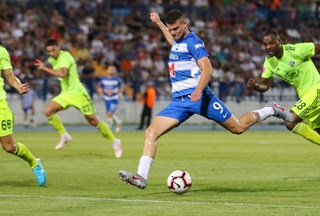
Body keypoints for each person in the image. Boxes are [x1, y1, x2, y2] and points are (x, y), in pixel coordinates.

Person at [118, 10, 292, 189]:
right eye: (170, 29)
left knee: (238, 127)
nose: (173, 33)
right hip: (179, 102)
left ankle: (271, 110)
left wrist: (199, 91)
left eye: (176, 28)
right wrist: (159, 24)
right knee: (150, 133)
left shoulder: (193, 42)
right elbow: (172, 41)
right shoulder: (177, 41)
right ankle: (141, 177)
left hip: (200, 98)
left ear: (185, 23)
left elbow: (207, 68)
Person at [34, 38, 122, 158]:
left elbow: (62, 74)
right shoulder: (51, 59)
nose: (51, 54)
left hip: (78, 93)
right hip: (66, 93)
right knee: (48, 111)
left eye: (53, 50)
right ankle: (64, 135)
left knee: (93, 121)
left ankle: (115, 142)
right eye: (48, 52)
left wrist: (44, 68)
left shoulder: (65, 56)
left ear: (58, 47)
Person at [247, 29, 320, 146]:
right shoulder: (269, 63)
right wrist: (256, 86)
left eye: (271, 43)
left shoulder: (296, 50)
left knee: (290, 121)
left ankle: (276, 109)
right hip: (304, 96)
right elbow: (265, 85)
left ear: (279, 41)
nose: (268, 47)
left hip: (316, 90)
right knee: (318, 132)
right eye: (265, 44)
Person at [0, 45, 46, 186]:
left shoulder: (1, 51)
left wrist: (19, 86)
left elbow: (10, 76)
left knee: (8, 147)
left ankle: (34, 162)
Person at [97, 65, 123, 132]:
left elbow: (120, 87)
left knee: (110, 113)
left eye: (113, 69)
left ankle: (108, 126)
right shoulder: (103, 79)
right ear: (107, 70)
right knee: (109, 113)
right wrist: (100, 92)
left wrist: (120, 93)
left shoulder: (117, 79)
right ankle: (118, 121)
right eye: (110, 69)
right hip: (107, 98)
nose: (111, 70)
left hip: (114, 98)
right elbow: (100, 86)